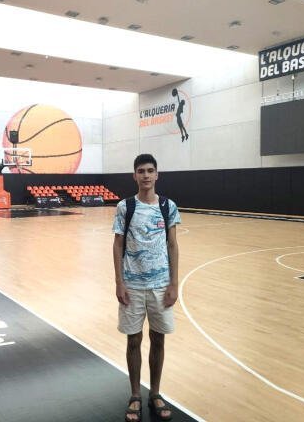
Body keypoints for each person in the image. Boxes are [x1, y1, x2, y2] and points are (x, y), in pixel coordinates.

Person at [112, 153, 181, 421]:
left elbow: (173, 245)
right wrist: (119, 282)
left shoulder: (168, 206)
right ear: (134, 175)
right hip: (132, 285)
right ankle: (135, 395)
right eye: (141, 171)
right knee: (133, 340)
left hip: (161, 286)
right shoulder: (125, 207)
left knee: (158, 339)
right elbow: (118, 244)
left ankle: (155, 393)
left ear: (157, 174)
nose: (146, 175)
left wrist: (174, 283)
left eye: (150, 170)